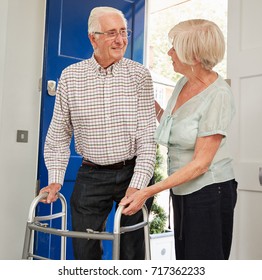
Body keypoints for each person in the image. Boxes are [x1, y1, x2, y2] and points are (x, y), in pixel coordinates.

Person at [40, 6, 156, 260]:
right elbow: (59, 135)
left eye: (124, 32)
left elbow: (148, 137)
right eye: (112, 33)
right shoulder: (70, 77)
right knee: (85, 248)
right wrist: (55, 178)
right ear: (93, 38)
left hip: (133, 169)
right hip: (91, 173)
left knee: (132, 252)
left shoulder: (139, 76)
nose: (121, 40)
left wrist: (138, 185)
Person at [120, 19, 238, 260]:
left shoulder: (218, 95)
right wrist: (145, 100)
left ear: (193, 56)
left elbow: (201, 164)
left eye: (175, 47)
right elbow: (173, 124)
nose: (169, 52)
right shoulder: (184, 82)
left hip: (209, 192)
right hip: (182, 189)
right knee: (185, 259)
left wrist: (148, 191)